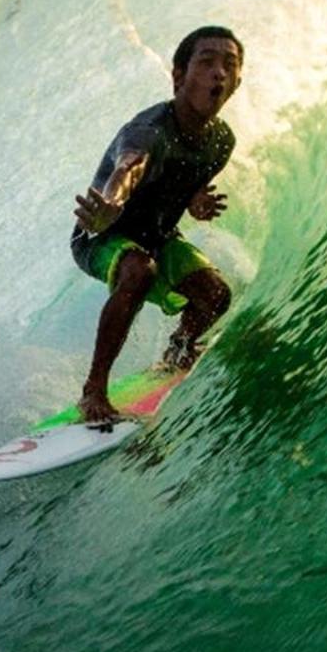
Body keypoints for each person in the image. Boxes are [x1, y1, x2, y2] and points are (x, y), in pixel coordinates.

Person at [71, 26, 242, 426]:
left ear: (237, 81)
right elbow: (129, 167)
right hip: (102, 235)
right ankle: (93, 391)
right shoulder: (147, 131)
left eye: (229, 66)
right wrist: (110, 205)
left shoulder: (221, 142)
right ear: (178, 76)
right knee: (138, 270)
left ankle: (178, 352)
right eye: (206, 62)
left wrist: (196, 200)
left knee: (216, 295)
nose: (219, 73)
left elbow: (188, 178)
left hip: (157, 237)